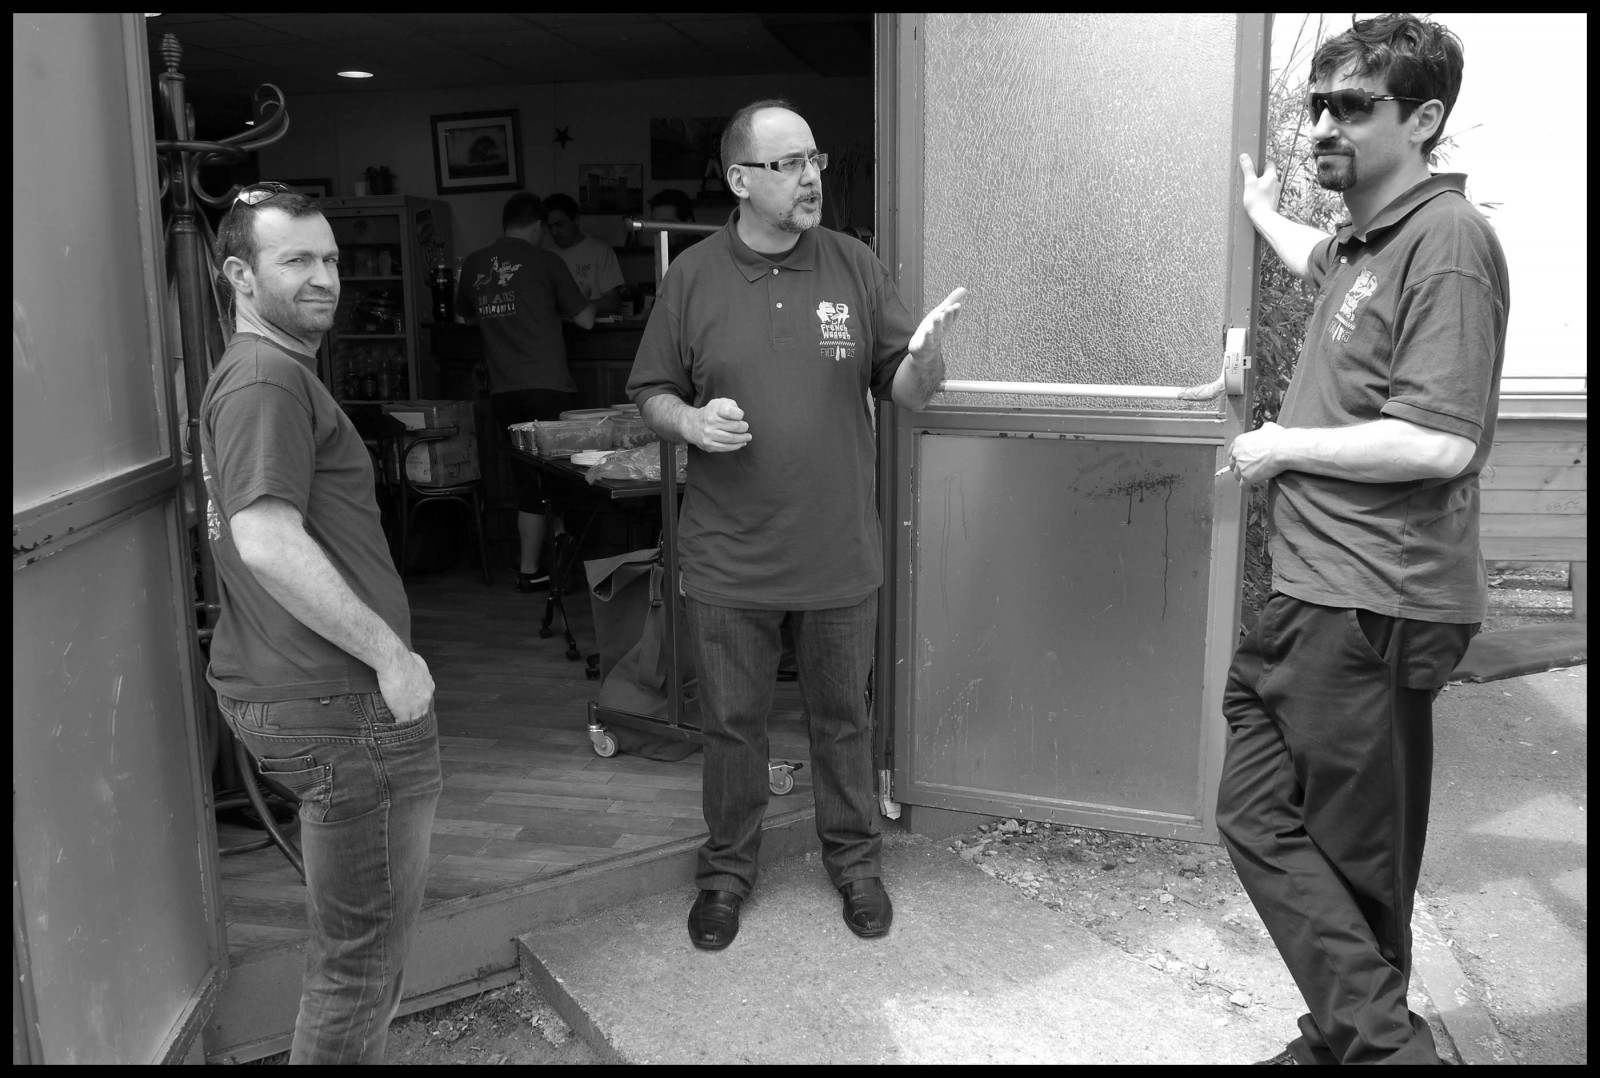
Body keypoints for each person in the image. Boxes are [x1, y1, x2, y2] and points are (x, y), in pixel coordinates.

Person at [1217, 14, 1508, 1065]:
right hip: (1314, 591)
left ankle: (1374, 1050)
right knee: (1258, 816)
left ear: (1422, 120)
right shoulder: (1363, 244)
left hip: (1374, 598)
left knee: (1355, 858)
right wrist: (1261, 210)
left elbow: (1440, 441)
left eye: (1351, 106)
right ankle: (1360, 1036)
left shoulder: (1447, 244)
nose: (1322, 126)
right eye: (1317, 105)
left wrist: (1281, 445)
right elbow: (1314, 257)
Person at [627, 99, 967, 951]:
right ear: (740, 180)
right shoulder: (693, 277)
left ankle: (855, 865)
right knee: (732, 727)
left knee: (843, 721)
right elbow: (651, 393)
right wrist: (690, 421)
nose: (811, 177)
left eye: (813, 159)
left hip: (837, 553)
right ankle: (725, 875)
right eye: (788, 164)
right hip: (728, 558)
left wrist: (927, 359)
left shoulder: (852, 264)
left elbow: (905, 390)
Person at [198, 182, 443, 1064]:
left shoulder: (260, 373)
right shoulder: (267, 380)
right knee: (360, 965)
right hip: (343, 705)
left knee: (359, 955)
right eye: (296, 259)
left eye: (331, 259)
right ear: (240, 274)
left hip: (303, 692)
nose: (325, 278)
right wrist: (392, 658)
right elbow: (266, 540)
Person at [457, 193, 596, 591]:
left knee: (527, 479)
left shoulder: (474, 264)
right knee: (559, 477)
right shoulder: (546, 261)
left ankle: (537, 565)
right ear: (537, 225)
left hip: (503, 389)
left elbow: (462, 317)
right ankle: (545, 567)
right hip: (549, 385)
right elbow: (586, 321)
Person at [543, 192, 627, 316]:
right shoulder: (546, 256)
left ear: (576, 219)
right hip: (557, 326)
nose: (554, 232)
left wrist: (575, 308)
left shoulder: (600, 251)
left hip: (594, 325)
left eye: (559, 225)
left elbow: (612, 302)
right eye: (549, 227)